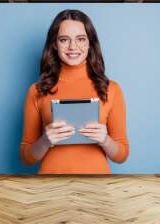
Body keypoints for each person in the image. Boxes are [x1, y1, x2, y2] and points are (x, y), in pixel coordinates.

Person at [20, 9, 129, 174]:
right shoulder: (36, 90)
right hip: (50, 186)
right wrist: (45, 141)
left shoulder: (111, 89)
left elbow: (122, 156)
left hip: (96, 186)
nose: (73, 47)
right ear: (55, 44)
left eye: (81, 39)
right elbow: (26, 158)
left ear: (90, 43)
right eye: (64, 40)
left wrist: (105, 140)